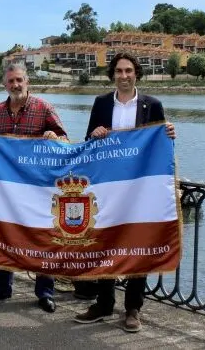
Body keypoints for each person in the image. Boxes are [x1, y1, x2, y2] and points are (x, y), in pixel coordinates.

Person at [74, 51, 176, 333]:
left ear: (136, 74)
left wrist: (168, 134)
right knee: (105, 242)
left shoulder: (152, 105)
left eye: (128, 70)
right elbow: (88, 142)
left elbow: (161, 145)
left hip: (141, 189)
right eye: (119, 71)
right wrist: (94, 135)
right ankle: (104, 303)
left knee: (138, 246)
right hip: (109, 188)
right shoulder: (101, 103)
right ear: (113, 75)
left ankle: (133, 308)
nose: (124, 76)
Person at [0, 64, 67, 313]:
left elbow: (65, 142)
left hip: (38, 187)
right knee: (3, 233)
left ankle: (45, 292)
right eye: (10, 81)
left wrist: (54, 138)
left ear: (27, 82)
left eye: (19, 80)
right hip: (6, 189)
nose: (15, 85)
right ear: (4, 85)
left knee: (42, 236)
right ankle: (2, 287)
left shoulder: (44, 108)